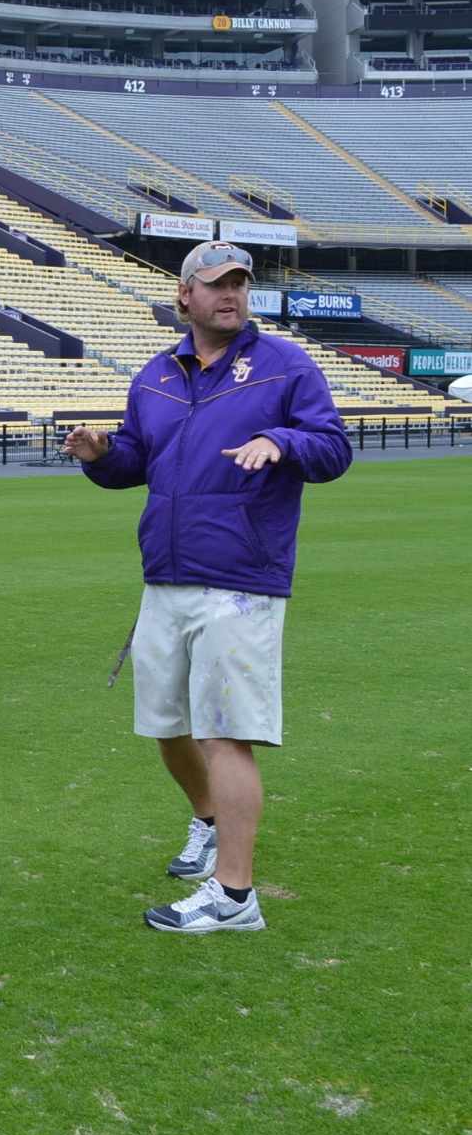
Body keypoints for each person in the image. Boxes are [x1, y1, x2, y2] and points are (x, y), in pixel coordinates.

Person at [64, 239, 352, 934]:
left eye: (240, 284)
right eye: (218, 283)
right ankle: (208, 822)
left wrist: (282, 441)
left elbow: (333, 446)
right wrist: (102, 455)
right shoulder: (156, 376)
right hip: (166, 574)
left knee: (227, 733)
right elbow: (139, 459)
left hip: (241, 578)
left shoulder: (284, 365)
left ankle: (234, 895)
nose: (231, 295)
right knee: (167, 727)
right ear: (184, 296)